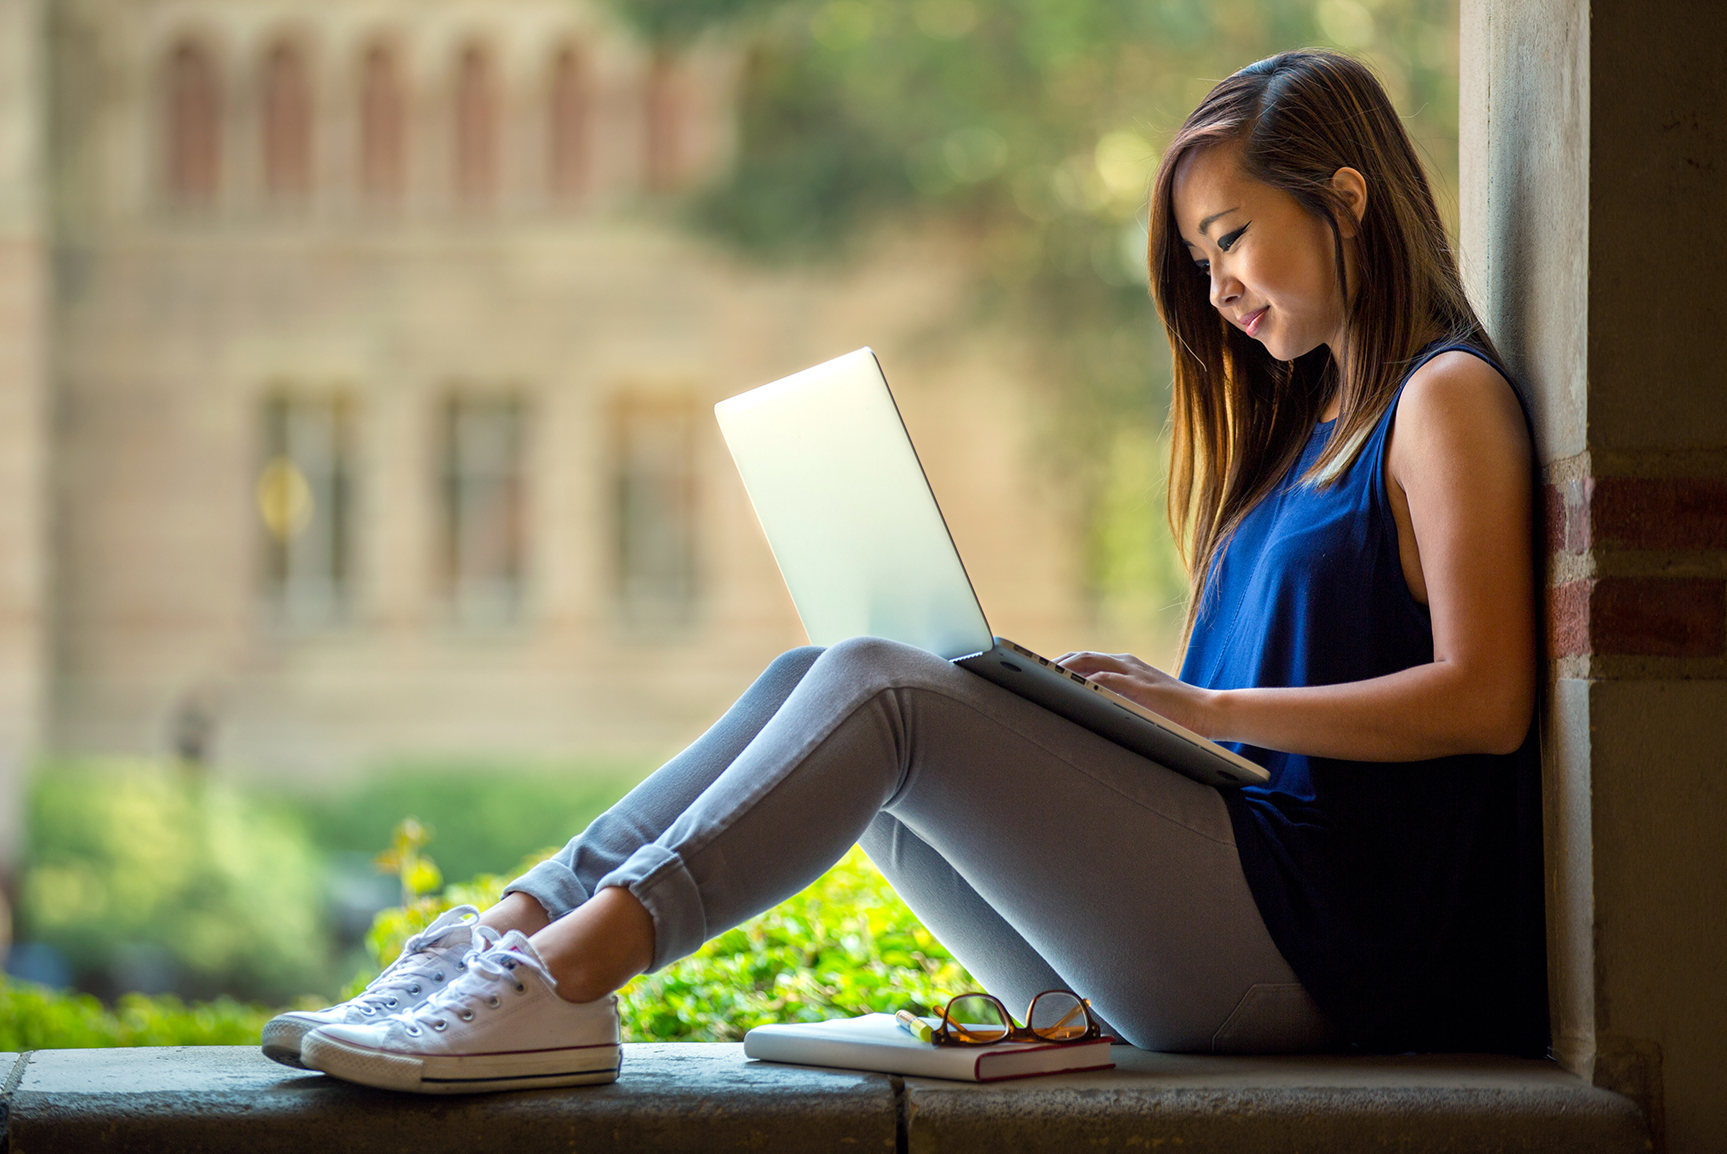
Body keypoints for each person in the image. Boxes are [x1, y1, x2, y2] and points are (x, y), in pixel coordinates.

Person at [262, 49, 1547, 1093]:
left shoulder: (1441, 401)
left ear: (1348, 196)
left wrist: (1198, 710)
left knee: (886, 688)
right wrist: (1099, 723)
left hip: (1321, 953)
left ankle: (565, 980)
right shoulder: (1291, 448)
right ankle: (507, 932)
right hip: (1233, 930)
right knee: (824, 679)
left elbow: (1485, 696)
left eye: (1230, 241)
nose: (1213, 290)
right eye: (1198, 263)